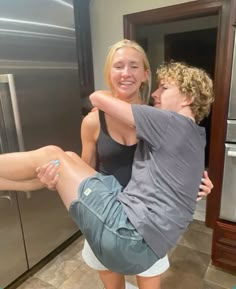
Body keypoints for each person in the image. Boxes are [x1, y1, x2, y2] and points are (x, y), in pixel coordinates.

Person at [0, 63, 214, 287]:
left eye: (164, 88)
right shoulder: (195, 135)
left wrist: (107, 102)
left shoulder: (166, 121)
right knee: (65, 157)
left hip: (129, 230)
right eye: (117, 66)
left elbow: (98, 97)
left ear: (187, 98)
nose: (155, 93)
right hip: (140, 228)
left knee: (52, 154)